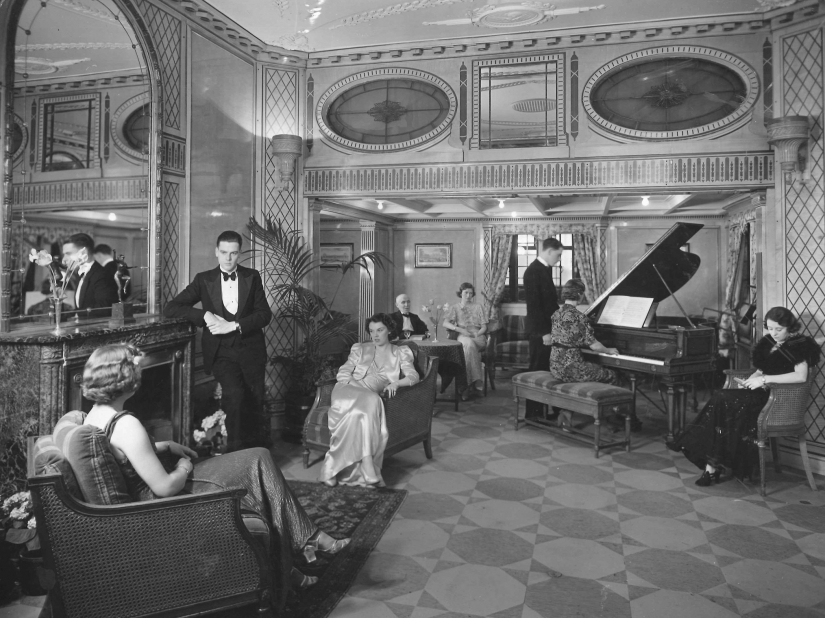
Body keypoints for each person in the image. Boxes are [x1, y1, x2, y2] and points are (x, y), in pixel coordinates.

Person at [79, 343, 349, 606]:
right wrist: (183, 465)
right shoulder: (127, 424)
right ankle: (305, 548)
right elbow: (164, 488)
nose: (139, 377)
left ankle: (293, 565)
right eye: (135, 371)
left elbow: (125, 454)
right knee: (259, 463)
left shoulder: (94, 416)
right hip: (165, 500)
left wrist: (164, 445)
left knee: (258, 462)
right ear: (122, 379)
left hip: (155, 485)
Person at [669, 307, 820, 486]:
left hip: (777, 401)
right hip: (760, 395)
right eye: (770, 328)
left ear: (790, 327)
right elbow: (761, 369)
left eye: (778, 329)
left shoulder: (799, 344)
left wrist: (764, 380)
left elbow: (800, 376)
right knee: (721, 404)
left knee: (721, 400)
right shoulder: (770, 342)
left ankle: (700, 455)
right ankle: (711, 467)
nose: (773, 333)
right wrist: (751, 380)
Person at [164, 230, 272, 450]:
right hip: (221, 352)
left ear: (240, 253)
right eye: (224, 252)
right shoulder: (204, 279)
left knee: (254, 402)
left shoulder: (252, 276)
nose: (228, 258)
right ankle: (234, 458)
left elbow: (264, 315)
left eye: (233, 253)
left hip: (251, 350)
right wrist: (204, 315)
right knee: (234, 396)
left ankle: (256, 458)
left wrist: (232, 325)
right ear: (216, 252)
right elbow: (171, 307)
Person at [320, 313, 419, 488]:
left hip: (367, 398)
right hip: (347, 390)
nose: (375, 335)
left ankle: (332, 469)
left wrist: (396, 383)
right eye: (372, 331)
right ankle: (367, 465)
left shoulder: (400, 352)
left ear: (389, 330)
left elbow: (413, 376)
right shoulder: (360, 348)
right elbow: (343, 373)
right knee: (373, 400)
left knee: (366, 407)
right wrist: (358, 387)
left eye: (380, 330)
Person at [550, 278, 620, 384]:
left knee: (595, 368)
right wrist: (609, 350)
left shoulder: (556, 313)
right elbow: (595, 346)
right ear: (579, 294)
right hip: (572, 370)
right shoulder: (579, 317)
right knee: (612, 375)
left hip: (556, 367)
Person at [523, 238, 563, 417]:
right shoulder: (533, 271)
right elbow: (534, 306)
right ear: (548, 251)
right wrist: (545, 332)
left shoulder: (543, 270)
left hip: (547, 330)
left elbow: (548, 304)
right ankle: (534, 415)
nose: (559, 258)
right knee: (537, 374)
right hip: (541, 333)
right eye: (558, 254)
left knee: (546, 373)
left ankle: (545, 412)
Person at [442, 282, 488, 399]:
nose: (468, 295)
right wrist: (459, 330)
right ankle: (476, 382)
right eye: (466, 293)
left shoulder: (479, 306)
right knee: (468, 345)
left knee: (469, 347)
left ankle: (464, 387)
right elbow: (445, 323)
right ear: (460, 293)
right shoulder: (454, 308)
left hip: (478, 336)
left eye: (471, 293)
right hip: (463, 335)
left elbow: (484, 327)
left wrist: (477, 333)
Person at [63, 233, 119, 311]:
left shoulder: (102, 275)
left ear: (83, 252)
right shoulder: (80, 274)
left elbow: (104, 309)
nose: (63, 260)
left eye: (68, 254)